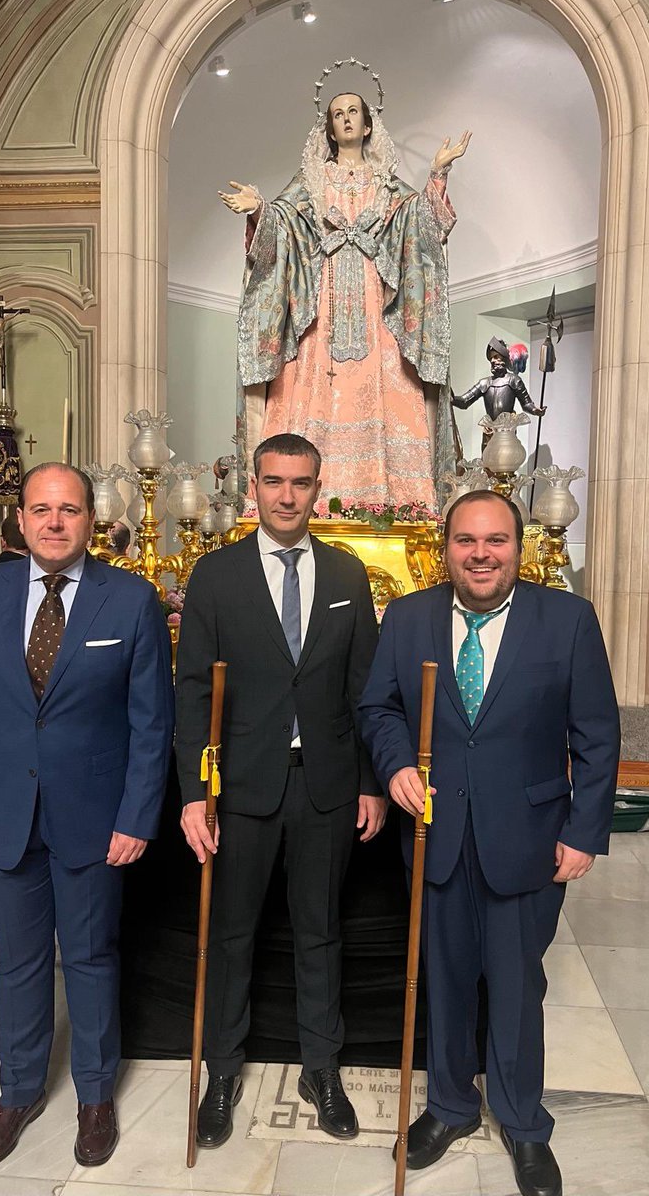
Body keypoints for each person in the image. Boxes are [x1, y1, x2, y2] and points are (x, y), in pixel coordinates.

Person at [358, 490, 620, 1196]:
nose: (480, 554)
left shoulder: (567, 620)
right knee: (443, 983)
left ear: (518, 546)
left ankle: (523, 1122)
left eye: (495, 541)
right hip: (435, 836)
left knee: (515, 987)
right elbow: (379, 706)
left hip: (530, 839)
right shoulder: (409, 619)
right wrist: (396, 765)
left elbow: (596, 734)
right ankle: (448, 1107)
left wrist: (584, 831)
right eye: (466, 541)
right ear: (444, 549)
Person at [0, 463, 174, 1169]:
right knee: (20, 963)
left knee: (92, 959)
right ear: (22, 521)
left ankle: (96, 1096)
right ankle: (18, 1091)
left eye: (68, 509)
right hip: (1, 813)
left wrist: (136, 817)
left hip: (95, 819)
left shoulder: (130, 600)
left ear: (91, 520)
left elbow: (150, 725)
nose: (54, 521)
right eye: (41, 509)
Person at [176, 432, 386, 1147]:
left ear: (316, 489)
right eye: (274, 482)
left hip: (326, 786)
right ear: (254, 489)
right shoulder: (215, 575)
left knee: (320, 932)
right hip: (239, 788)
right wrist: (194, 793)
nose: (287, 496)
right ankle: (224, 1071)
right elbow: (194, 692)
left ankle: (320, 1069)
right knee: (232, 935)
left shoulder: (348, 575)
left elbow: (365, 689)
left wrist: (370, 782)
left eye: (300, 483)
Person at [222, 74, 469, 512]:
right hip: (322, 308)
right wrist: (260, 208)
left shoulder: (389, 184)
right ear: (329, 128)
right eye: (338, 114)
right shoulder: (312, 182)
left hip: (378, 309)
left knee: (391, 384)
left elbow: (424, 225)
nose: (346, 119)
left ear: (368, 124)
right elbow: (285, 223)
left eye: (353, 111)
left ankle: (397, 501)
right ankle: (305, 499)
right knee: (308, 390)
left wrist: (438, 174)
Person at [452, 337, 545, 451]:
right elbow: (465, 401)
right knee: (488, 464)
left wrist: (536, 410)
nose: (492, 360)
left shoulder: (514, 380)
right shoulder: (484, 383)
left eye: (496, 357)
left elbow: (526, 404)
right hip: (489, 431)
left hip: (507, 432)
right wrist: (452, 399)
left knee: (507, 464)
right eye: (491, 358)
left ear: (504, 358)